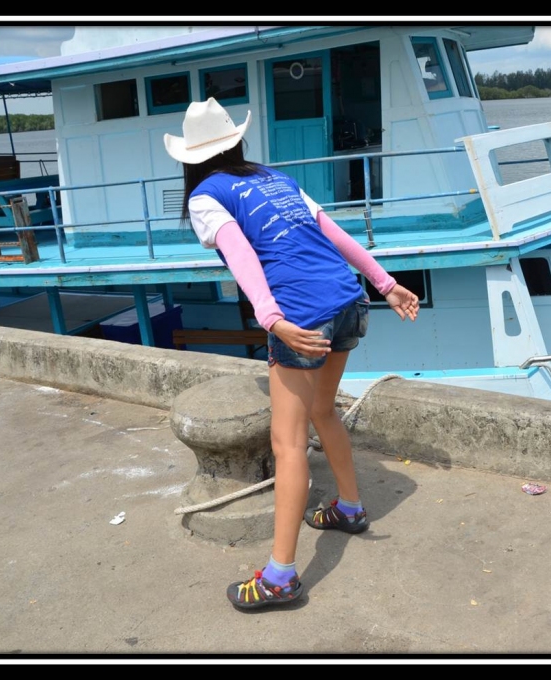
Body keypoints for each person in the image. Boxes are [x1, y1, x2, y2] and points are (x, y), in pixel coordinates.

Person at [164, 98, 420, 611]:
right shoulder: (274, 178)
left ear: (189, 157)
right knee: (323, 410)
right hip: (348, 300)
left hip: (300, 315)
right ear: (236, 141)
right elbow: (334, 233)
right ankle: (349, 507)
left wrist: (272, 319)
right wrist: (386, 283)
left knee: (288, 445)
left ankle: (280, 577)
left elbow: (240, 258)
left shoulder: (205, 196)